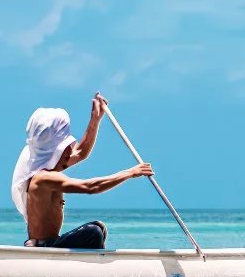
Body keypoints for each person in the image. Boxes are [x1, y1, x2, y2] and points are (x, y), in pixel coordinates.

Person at [12, 94, 155, 250]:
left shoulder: (44, 166)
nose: (71, 149)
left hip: (50, 245)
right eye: (66, 144)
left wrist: (95, 120)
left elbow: (81, 152)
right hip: (43, 247)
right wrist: (130, 173)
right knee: (94, 231)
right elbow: (90, 187)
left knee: (98, 228)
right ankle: (99, 269)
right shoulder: (43, 178)